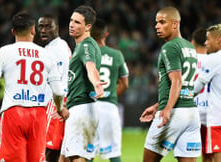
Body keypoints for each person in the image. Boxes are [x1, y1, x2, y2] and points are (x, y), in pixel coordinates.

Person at [0, 11, 69, 162]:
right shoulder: (46, 55)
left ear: (13, 31)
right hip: (38, 116)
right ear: (33, 30)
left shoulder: (5, 52)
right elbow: (58, 92)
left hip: (13, 113)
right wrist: (60, 108)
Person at [139, 6, 201, 162]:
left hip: (173, 112)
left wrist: (166, 108)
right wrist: (157, 105)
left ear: (175, 24)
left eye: (162, 22)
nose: (157, 26)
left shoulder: (169, 47)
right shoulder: (189, 47)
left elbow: (177, 81)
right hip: (191, 113)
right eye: (156, 23)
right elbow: (185, 85)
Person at [60, 5, 105, 162]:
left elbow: (90, 66)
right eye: (71, 20)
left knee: (77, 158)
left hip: (82, 109)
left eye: (77, 22)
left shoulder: (86, 45)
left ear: (88, 27)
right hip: (78, 107)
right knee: (64, 158)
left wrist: (97, 84)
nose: (72, 24)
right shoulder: (82, 46)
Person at [88, 18, 129, 162]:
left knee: (87, 153)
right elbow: (124, 84)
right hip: (109, 107)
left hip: (89, 106)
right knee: (113, 153)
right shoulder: (116, 55)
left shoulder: (85, 54)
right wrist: (110, 96)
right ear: (106, 35)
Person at [36, 13, 71, 162]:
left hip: (56, 103)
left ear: (56, 28)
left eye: (48, 27)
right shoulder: (53, 47)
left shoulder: (58, 49)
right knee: (54, 150)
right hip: (53, 102)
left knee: (50, 149)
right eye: (41, 27)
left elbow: (63, 79)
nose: (44, 30)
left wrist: (61, 104)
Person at [194, 24, 221, 162]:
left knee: (216, 157)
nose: (205, 43)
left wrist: (177, 97)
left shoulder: (214, 59)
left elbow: (196, 88)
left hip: (217, 119)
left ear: (218, 40)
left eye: (208, 39)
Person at [191, 28, 212, 162]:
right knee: (209, 153)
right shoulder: (215, 60)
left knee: (187, 153)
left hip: (190, 111)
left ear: (192, 43)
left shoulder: (186, 60)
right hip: (210, 112)